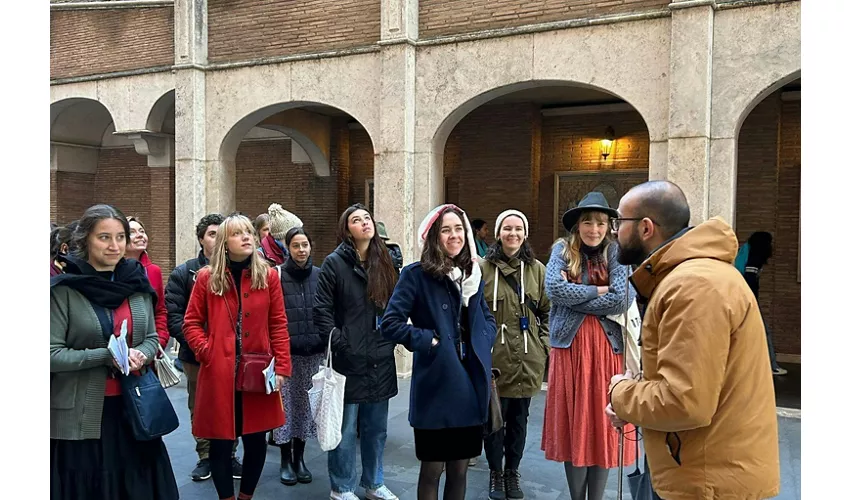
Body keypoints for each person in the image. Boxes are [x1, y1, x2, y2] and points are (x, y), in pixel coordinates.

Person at [607, 180, 780, 500]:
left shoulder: (692, 286)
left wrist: (621, 393)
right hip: (702, 468)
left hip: (707, 480)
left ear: (646, 228)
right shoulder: (690, 277)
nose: (613, 231)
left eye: (619, 222)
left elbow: (685, 401)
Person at [50, 204, 179, 500]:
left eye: (120, 237)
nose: (114, 245)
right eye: (104, 237)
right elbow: (51, 354)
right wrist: (104, 356)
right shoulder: (63, 291)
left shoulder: (135, 282)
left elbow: (150, 337)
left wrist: (143, 354)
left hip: (134, 408)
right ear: (85, 241)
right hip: (82, 416)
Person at [381, 204, 496, 500]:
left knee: (460, 469)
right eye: (446, 230)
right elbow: (390, 323)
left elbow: (487, 318)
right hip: (435, 382)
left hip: (470, 383)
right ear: (434, 236)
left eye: (459, 229)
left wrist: (485, 339)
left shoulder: (473, 274)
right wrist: (428, 341)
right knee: (432, 470)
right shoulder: (415, 275)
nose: (454, 235)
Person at [183, 213, 293, 500]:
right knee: (220, 442)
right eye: (237, 233)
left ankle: (245, 497)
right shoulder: (207, 278)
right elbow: (191, 322)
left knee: (256, 441)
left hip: (257, 373)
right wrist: (206, 350)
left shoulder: (268, 275)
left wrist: (281, 366)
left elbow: (278, 323)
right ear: (224, 242)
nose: (246, 237)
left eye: (248, 232)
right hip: (219, 373)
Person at [542, 191, 635, 500]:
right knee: (572, 426)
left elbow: (622, 298)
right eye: (587, 222)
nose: (593, 229)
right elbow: (554, 289)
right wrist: (598, 290)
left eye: (600, 223)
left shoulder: (618, 252)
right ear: (577, 225)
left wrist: (577, 296)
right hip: (568, 350)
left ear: (609, 226)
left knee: (602, 425)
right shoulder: (561, 250)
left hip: (607, 352)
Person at [314, 203, 400, 500]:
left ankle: (374, 483)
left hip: (380, 357)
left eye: (367, 218)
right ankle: (342, 487)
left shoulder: (385, 261)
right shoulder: (334, 264)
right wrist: (339, 341)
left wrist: (392, 336)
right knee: (345, 430)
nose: (364, 222)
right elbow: (321, 309)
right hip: (347, 360)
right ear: (346, 229)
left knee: (376, 430)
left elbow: (395, 305)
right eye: (356, 220)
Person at [165, 213, 244, 481]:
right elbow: (175, 316)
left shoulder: (239, 270)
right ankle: (205, 456)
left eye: (221, 233)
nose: (217, 238)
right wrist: (202, 346)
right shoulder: (185, 272)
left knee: (231, 404)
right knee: (200, 405)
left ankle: (230, 454)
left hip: (233, 355)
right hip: (197, 355)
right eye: (211, 233)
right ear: (201, 239)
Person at [479, 209, 550, 500]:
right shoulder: (482, 268)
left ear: (525, 233)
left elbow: (548, 313)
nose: (513, 234)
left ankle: (512, 472)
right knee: (494, 420)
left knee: (519, 420)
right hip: (493, 361)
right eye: (507, 228)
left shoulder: (537, 270)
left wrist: (542, 346)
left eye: (518, 229)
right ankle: (496, 471)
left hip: (525, 359)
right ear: (498, 233)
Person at [272, 227, 324, 486]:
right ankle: (284, 460)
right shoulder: (277, 276)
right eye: (296, 245)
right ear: (288, 248)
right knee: (285, 409)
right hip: (285, 355)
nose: (301, 250)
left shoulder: (320, 275)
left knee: (304, 408)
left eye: (305, 244)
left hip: (312, 354)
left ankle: (300, 458)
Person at [734, 231, 787, 376]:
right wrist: (753, 302)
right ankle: (772, 365)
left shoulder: (746, 252)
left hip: (738, 298)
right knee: (764, 331)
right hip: (747, 300)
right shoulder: (755, 257)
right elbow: (750, 280)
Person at [124, 216, 169, 348]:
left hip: (149, 348)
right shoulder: (111, 270)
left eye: (142, 231)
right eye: (132, 232)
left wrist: (159, 342)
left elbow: (160, 310)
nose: (140, 236)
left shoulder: (154, 271)